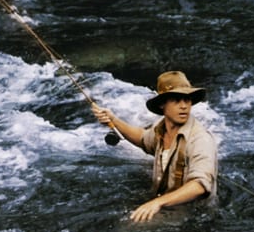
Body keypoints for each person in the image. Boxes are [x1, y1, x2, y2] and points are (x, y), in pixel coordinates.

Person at [92, 70, 218, 222]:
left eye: (187, 100)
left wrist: (157, 203)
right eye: (176, 100)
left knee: (130, 227)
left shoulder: (201, 139)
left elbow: (200, 186)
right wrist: (113, 120)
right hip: (166, 204)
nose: (184, 106)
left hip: (193, 216)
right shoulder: (161, 129)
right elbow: (143, 138)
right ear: (162, 105)